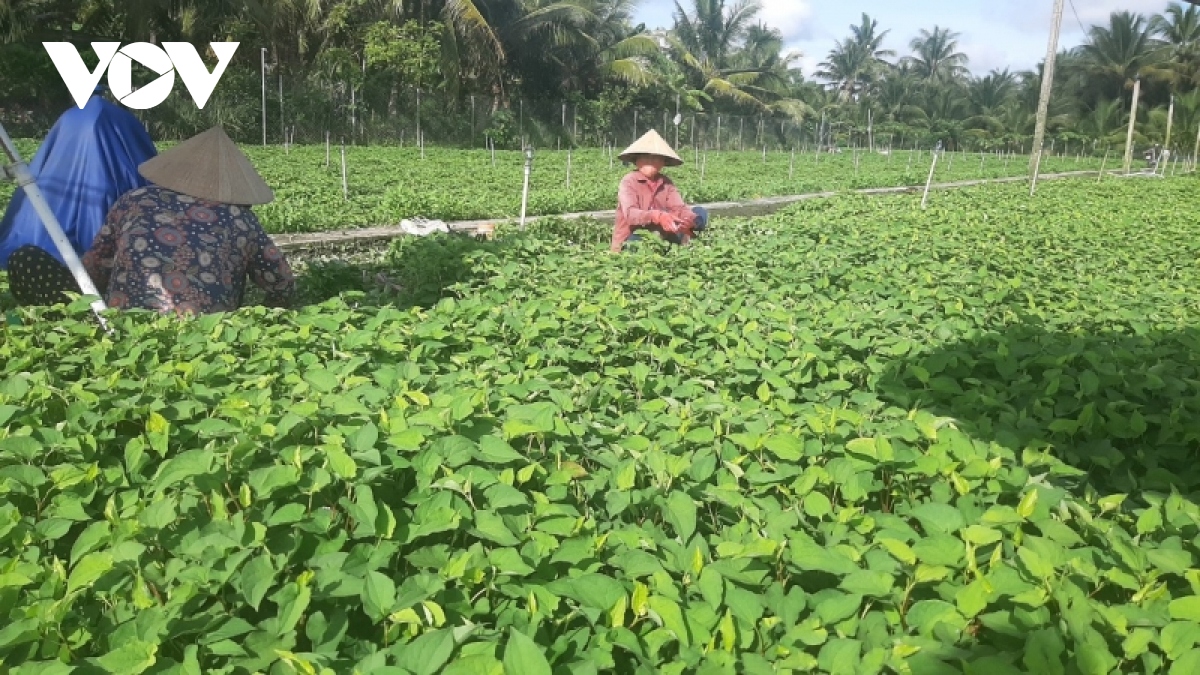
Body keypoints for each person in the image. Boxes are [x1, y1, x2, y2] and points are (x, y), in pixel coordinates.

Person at [9, 126, 295, 316]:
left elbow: (93, 271)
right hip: (211, 337)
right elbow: (282, 284)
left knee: (26, 260)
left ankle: (69, 333)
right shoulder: (241, 218)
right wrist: (255, 321)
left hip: (122, 328)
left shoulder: (135, 201)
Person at [611, 130, 708, 253]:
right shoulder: (629, 181)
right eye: (645, 157)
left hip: (663, 234)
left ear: (663, 162)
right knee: (640, 241)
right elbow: (631, 214)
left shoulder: (666, 182)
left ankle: (685, 239)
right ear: (637, 160)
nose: (651, 161)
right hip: (633, 237)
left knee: (700, 212)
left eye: (656, 158)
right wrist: (657, 216)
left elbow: (679, 207)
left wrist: (691, 220)